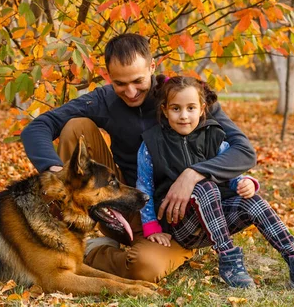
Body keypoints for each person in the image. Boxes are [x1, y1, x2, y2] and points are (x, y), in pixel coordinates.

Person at [21, 33, 257, 283]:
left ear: (152, 67)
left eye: (138, 80)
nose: (130, 91)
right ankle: (81, 230)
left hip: (179, 218)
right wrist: (55, 170)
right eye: (120, 83)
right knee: (76, 126)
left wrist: (193, 174)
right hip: (125, 203)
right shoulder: (104, 99)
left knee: (145, 269)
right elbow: (38, 127)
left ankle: (97, 252)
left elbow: (243, 150)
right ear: (108, 76)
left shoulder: (184, 98)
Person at [136, 75, 294, 291]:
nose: (184, 116)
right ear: (164, 110)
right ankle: (228, 259)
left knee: (252, 201)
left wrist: (244, 182)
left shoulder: (215, 136)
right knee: (204, 186)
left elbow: (231, 174)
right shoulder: (151, 144)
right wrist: (151, 226)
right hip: (180, 224)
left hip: (215, 220)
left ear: (202, 109)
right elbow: (144, 187)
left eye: (191, 108)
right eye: (176, 109)